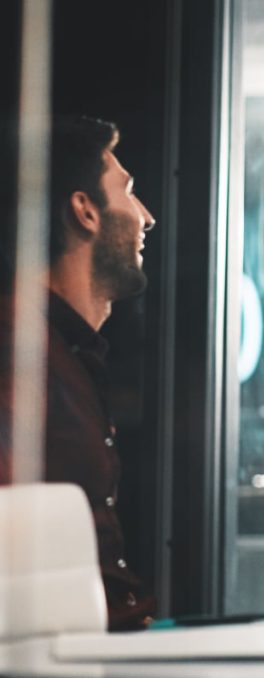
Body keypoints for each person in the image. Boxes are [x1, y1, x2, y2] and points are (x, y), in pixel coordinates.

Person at [0, 116, 157, 629]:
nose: (146, 217)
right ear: (84, 210)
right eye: (128, 192)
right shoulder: (17, 349)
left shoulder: (68, 353)